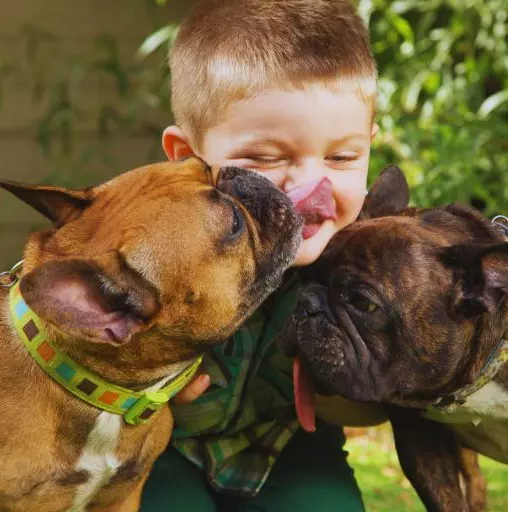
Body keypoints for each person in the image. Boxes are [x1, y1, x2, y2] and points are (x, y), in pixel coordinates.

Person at [139, 0, 386, 510]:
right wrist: (143, 394)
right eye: (264, 158)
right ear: (187, 158)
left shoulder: (366, 263)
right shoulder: (152, 249)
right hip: (160, 446)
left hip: (289, 447)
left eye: (342, 157)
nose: (310, 188)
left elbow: (375, 408)